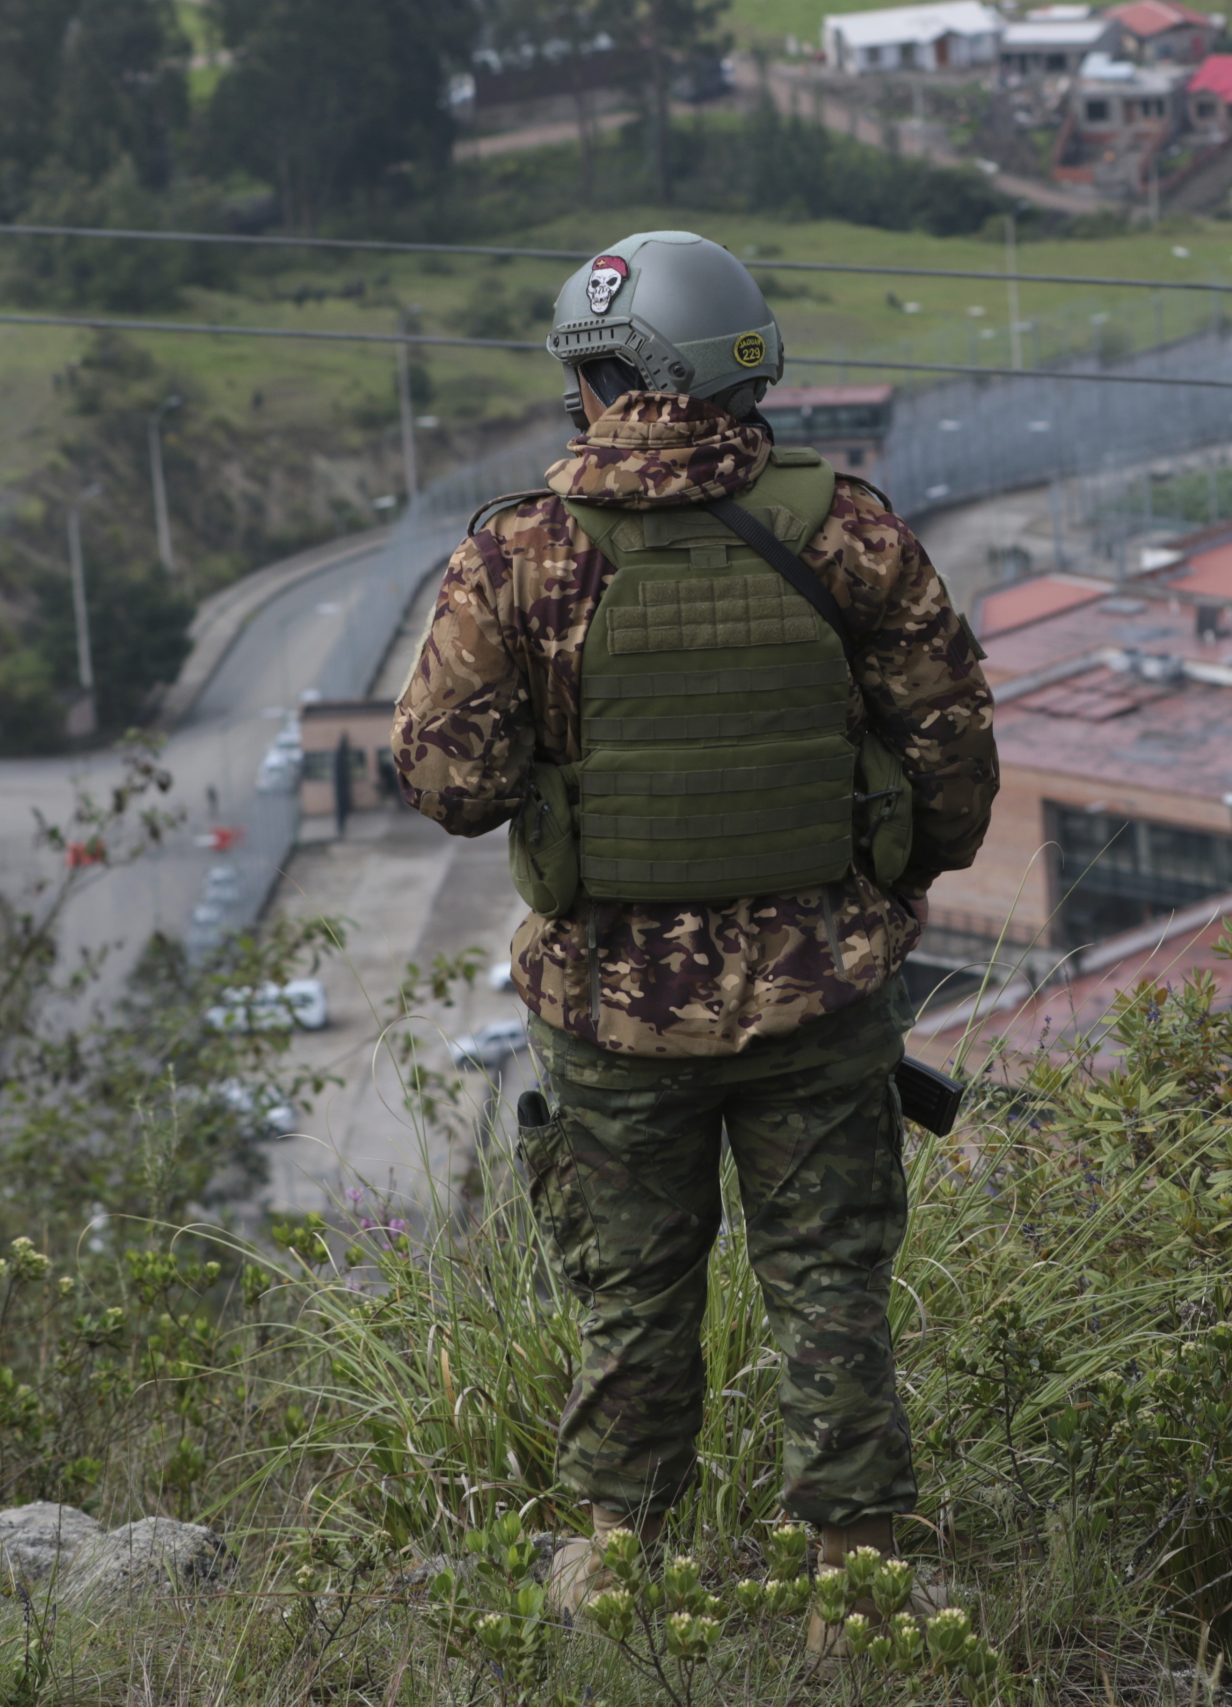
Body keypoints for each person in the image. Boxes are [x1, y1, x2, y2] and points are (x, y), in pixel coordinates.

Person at [389, 231, 997, 1637]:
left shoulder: (520, 550)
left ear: (609, 379)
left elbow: (449, 784)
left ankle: (616, 1571)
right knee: (831, 1288)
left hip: (608, 1010)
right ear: (742, 368)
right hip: (824, 995)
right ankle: (859, 1577)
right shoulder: (845, 528)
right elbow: (954, 748)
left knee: (634, 1297)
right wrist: (885, 895)